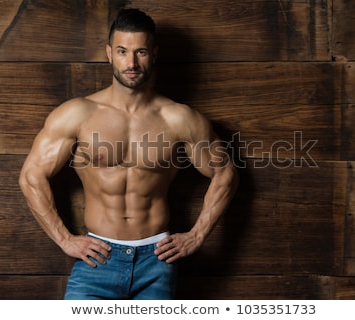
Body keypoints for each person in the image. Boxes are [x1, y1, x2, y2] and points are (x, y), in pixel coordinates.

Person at [19, 8, 238, 300]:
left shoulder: (179, 119)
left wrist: (197, 235)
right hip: (97, 258)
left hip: (157, 261)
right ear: (109, 53)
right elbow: (32, 176)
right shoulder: (77, 114)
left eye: (141, 52)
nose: (131, 62)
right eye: (122, 51)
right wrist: (64, 239)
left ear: (154, 54)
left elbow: (225, 174)